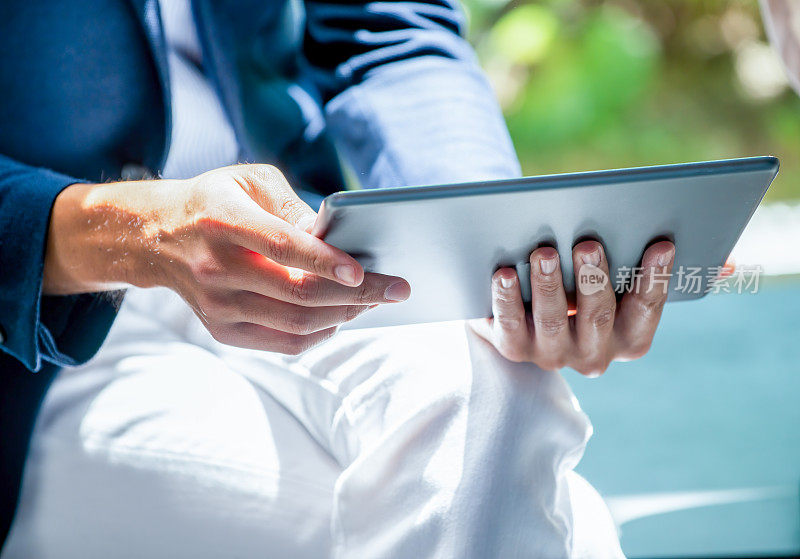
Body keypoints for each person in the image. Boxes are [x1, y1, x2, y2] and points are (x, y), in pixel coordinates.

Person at [0, 0, 675, 556]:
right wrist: (127, 236)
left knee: (496, 386)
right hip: (39, 318)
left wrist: (489, 244)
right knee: (567, 529)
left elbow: (385, 29)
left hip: (294, 241)